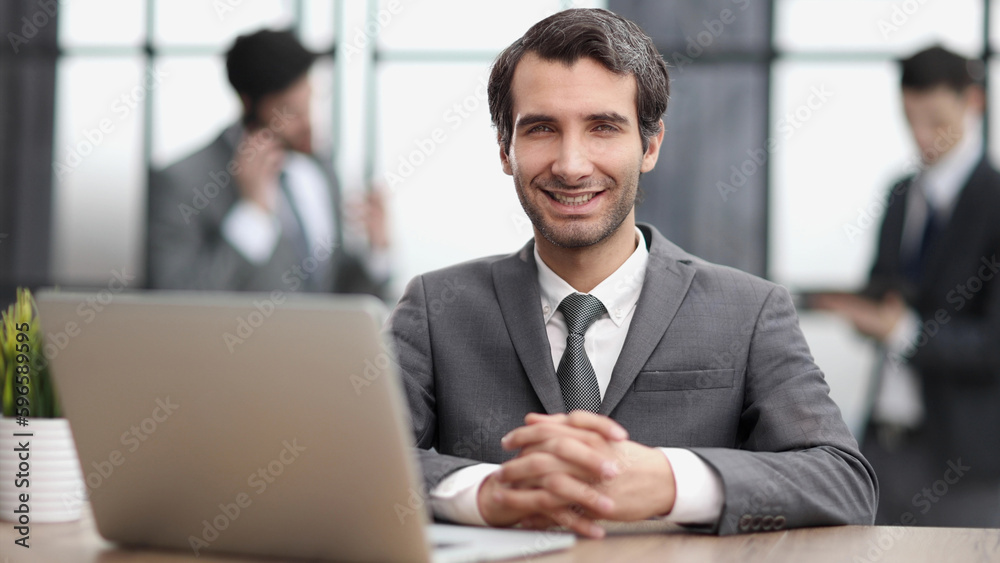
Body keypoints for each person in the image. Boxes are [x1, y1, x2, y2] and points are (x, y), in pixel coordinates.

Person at [387, 8, 877, 537]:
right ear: (506, 148)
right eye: (542, 128)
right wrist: (483, 493)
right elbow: (345, 460)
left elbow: (843, 482)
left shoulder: (749, 311)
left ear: (650, 145)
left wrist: (673, 480)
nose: (571, 164)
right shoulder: (437, 308)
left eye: (602, 127)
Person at [816, 46, 1000, 527]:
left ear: (973, 102)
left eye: (936, 120)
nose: (922, 136)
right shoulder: (900, 194)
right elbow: (885, 291)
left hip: (965, 464)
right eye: (910, 119)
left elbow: (992, 345)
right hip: (882, 446)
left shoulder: (995, 203)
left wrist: (903, 332)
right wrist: (862, 314)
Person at [148, 29, 389, 297]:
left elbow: (333, 292)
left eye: (309, 103)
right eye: (291, 112)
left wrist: (376, 252)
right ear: (249, 104)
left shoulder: (321, 167)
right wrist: (252, 215)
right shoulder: (182, 181)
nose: (308, 122)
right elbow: (174, 302)